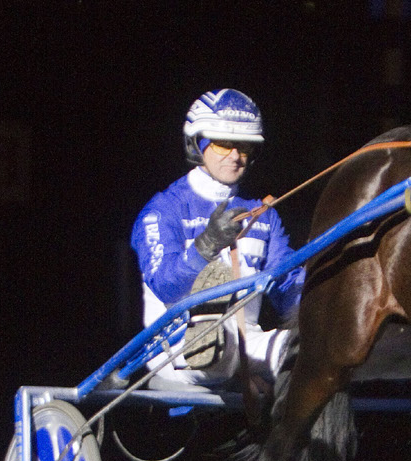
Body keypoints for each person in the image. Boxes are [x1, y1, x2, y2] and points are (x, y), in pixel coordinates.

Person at [130, 88, 304, 388]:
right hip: (176, 347)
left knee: (321, 349)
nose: (236, 156)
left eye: (244, 147)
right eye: (224, 144)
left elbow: (289, 288)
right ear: (197, 143)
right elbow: (166, 285)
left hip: (247, 344)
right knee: (220, 348)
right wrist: (206, 245)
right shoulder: (162, 211)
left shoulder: (263, 215)